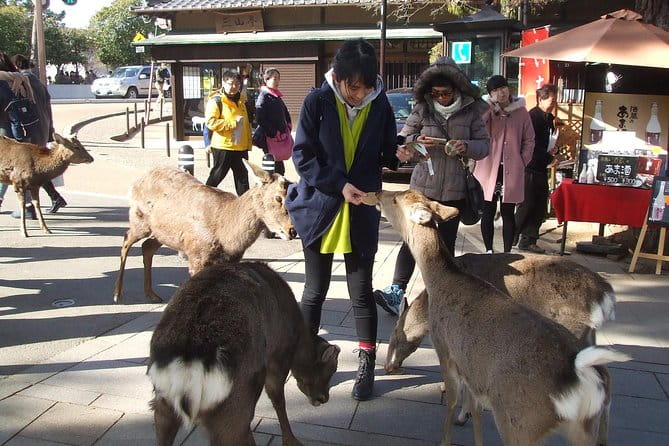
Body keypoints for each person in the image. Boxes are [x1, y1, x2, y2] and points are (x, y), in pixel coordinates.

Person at [286, 39, 411, 401]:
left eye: (367, 86)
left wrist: (399, 151)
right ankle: (306, 360)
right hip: (320, 206)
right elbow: (302, 157)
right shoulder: (317, 101)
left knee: (361, 293)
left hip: (361, 210)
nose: (360, 94)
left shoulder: (380, 104)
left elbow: (387, 151)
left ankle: (366, 364)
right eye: (353, 86)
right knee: (314, 291)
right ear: (338, 79)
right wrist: (339, 186)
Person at [373, 57, 489, 316]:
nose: (441, 98)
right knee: (411, 240)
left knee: (444, 247)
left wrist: (466, 146)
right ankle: (396, 292)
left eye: (446, 93)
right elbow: (404, 136)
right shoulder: (423, 108)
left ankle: (440, 298)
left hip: (454, 191)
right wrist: (416, 142)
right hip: (422, 189)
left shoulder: (471, 111)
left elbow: (484, 146)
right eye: (435, 93)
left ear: (457, 90)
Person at [474, 75, 535, 253]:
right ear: (490, 94)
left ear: (509, 88)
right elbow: (478, 128)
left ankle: (507, 252)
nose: (500, 93)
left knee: (508, 212)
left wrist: (522, 160)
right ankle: (488, 250)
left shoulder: (521, 111)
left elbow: (529, 139)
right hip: (488, 168)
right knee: (488, 210)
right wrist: (490, 109)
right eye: (495, 90)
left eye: (503, 88)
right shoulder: (487, 111)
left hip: (512, 169)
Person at [9, 54, 67, 218]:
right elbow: (48, 108)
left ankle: (28, 207)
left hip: (30, 129)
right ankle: (55, 197)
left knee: (27, 170)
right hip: (42, 128)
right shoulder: (38, 83)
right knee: (36, 169)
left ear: (16, 67)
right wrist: (50, 130)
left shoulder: (23, 82)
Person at [514, 84, 559, 254]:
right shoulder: (532, 117)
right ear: (541, 98)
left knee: (539, 207)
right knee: (526, 206)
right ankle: (512, 236)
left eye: (555, 100)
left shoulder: (549, 119)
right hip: (529, 167)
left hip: (541, 167)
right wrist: (549, 157)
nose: (553, 103)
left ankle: (529, 240)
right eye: (551, 100)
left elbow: (547, 142)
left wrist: (554, 151)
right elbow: (531, 145)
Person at [204, 70, 252, 196]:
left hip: (240, 147)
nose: (234, 87)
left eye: (237, 84)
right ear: (223, 83)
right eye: (231, 83)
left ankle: (245, 206)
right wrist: (231, 123)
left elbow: (246, 125)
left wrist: (248, 143)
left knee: (242, 177)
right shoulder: (217, 101)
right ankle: (204, 198)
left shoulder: (243, 101)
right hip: (223, 146)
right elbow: (210, 122)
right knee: (217, 175)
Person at [0, 52, 36, 212]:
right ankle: (28, 206)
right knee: (18, 169)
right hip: (22, 129)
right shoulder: (19, 79)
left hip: (5, 132)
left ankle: (27, 206)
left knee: (9, 169)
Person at [254, 67, 292, 176]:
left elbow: (285, 112)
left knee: (278, 165)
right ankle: (270, 188)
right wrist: (273, 132)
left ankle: (277, 185)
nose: (276, 81)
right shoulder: (264, 96)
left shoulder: (276, 96)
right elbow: (261, 118)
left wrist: (288, 126)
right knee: (271, 167)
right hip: (269, 137)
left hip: (279, 136)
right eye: (274, 78)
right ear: (266, 80)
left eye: (278, 79)